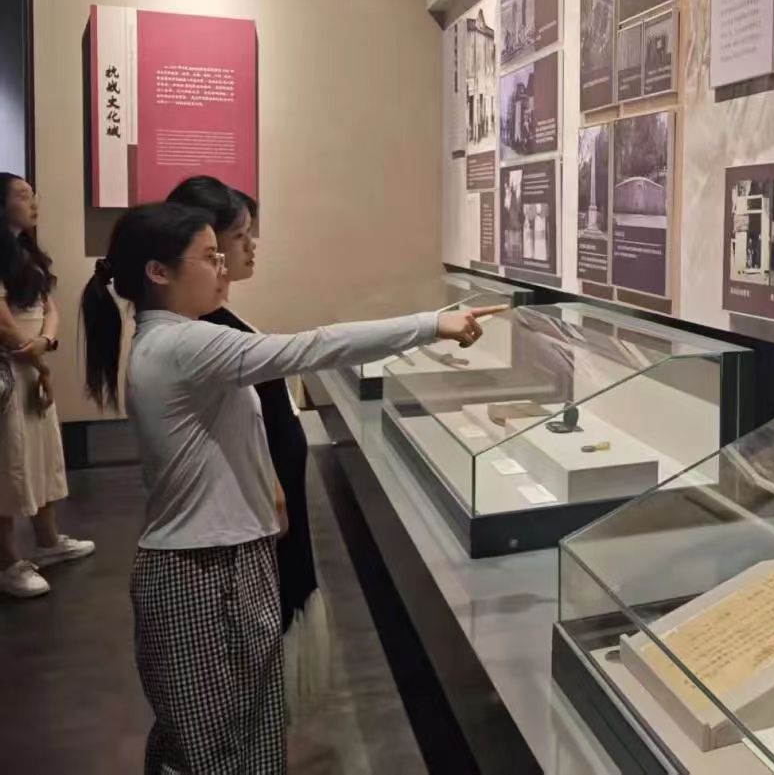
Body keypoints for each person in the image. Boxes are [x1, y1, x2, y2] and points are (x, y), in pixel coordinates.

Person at [80, 201, 501, 774]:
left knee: (251, 730)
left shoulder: (181, 340)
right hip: (198, 571)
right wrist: (431, 325)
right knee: (211, 747)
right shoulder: (181, 345)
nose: (223, 267)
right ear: (158, 272)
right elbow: (311, 346)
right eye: (209, 257)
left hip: (229, 558)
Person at [167, 176, 331, 714]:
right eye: (239, 237)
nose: (250, 247)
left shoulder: (215, 322)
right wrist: (271, 483)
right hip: (257, 504)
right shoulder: (202, 332)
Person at [0, 174, 93, 598]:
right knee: (9, 461)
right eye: (22, 195)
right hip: (9, 368)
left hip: (32, 364)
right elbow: (3, 320)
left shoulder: (27, 251)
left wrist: (46, 342)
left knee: (41, 454)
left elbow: (49, 307)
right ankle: (7, 562)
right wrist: (34, 354)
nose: (33, 202)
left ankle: (48, 540)